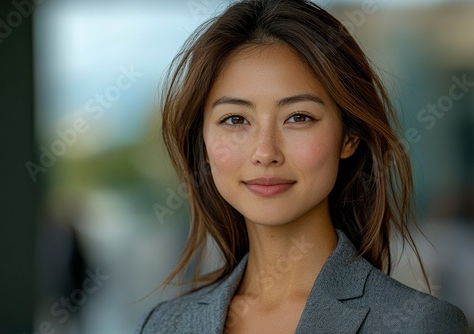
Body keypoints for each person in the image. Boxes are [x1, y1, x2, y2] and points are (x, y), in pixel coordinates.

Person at [135, 0, 469, 332]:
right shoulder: (165, 325)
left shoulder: (419, 324)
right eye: (235, 119)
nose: (265, 152)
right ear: (203, 142)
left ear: (348, 137)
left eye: (298, 117)